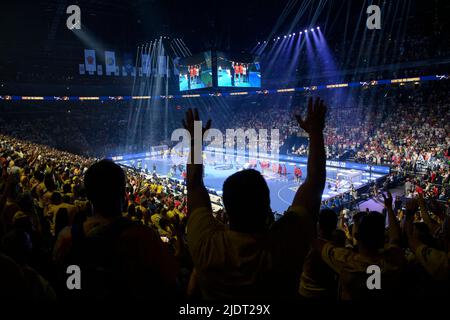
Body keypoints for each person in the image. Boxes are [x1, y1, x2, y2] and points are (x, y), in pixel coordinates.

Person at [183, 97, 327, 299]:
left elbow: (193, 184)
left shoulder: (207, 245)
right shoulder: (285, 245)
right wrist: (315, 132)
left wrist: (195, 142)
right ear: (267, 206)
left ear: (227, 208)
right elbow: (315, 182)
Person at [54, 160, 178, 300]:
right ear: (124, 193)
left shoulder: (67, 237)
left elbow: (66, 286)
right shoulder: (146, 238)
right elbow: (170, 285)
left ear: (88, 195)